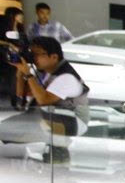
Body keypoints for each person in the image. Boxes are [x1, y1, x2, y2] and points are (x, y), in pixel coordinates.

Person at [0, 36, 88, 164]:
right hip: (52, 116)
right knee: (5, 129)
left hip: (73, 121)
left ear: (54, 57)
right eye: (32, 54)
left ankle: (59, 149)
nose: (33, 58)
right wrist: (20, 72)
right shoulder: (48, 72)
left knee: (11, 130)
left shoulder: (66, 77)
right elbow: (22, 93)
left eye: (37, 54)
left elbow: (44, 100)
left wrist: (28, 74)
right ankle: (56, 148)